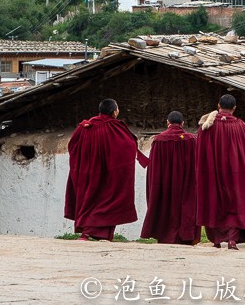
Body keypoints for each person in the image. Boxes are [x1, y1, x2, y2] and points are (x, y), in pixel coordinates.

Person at [64, 98, 149, 241]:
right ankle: (95, 233)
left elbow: (73, 147)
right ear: (114, 112)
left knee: (89, 199)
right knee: (109, 200)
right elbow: (128, 146)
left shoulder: (85, 126)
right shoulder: (115, 127)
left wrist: (83, 165)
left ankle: (90, 233)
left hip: (88, 173)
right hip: (108, 174)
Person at [196, 94, 245, 250]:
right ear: (234, 108)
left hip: (213, 172)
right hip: (236, 173)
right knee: (235, 202)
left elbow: (200, 153)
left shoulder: (207, 126)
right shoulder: (240, 126)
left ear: (218, 105)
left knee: (215, 201)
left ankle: (216, 240)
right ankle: (232, 240)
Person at [140, 111, 199, 245]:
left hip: (164, 183)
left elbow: (153, 168)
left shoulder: (158, 140)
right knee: (184, 205)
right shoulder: (191, 140)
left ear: (167, 123)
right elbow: (196, 166)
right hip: (185, 183)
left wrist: (154, 186)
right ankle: (185, 236)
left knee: (165, 205)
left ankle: (164, 236)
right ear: (182, 123)